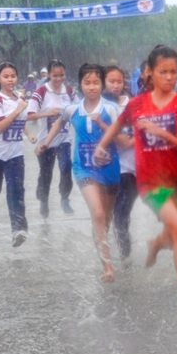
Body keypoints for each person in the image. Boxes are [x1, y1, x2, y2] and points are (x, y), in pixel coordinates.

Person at [95, 45, 177, 314]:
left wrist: (163, 134)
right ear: (150, 73)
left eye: (174, 72)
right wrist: (102, 146)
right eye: (162, 72)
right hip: (150, 181)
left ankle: (156, 243)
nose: (169, 77)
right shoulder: (137, 104)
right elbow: (118, 126)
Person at [41, 64, 121, 282]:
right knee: (97, 213)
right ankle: (107, 268)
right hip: (83, 168)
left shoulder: (112, 108)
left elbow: (122, 137)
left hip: (111, 169)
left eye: (96, 82)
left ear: (102, 84)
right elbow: (60, 122)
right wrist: (46, 143)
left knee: (106, 218)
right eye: (87, 82)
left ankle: (104, 247)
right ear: (80, 84)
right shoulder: (72, 108)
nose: (92, 87)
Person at [0, 62, 33, 247]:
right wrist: (17, 110)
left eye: (13, 76)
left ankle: (18, 230)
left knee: (16, 191)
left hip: (15, 154)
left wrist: (29, 133)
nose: (10, 79)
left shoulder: (19, 97)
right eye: (6, 76)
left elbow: (22, 119)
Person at [28, 60, 77, 217]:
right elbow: (29, 116)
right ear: (48, 74)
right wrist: (47, 113)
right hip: (45, 141)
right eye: (55, 75)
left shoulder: (69, 91)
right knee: (46, 173)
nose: (58, 79)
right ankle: (44, 201)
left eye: (61, 75)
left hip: (64, 138)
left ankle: (64, 198)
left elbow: (78, 111)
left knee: (66, 166)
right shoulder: (41, 92)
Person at [104, 66, 138, 265]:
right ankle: (119, 256)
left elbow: (125, 140)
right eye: (111, 81)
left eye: (119, 82)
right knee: (113, 214)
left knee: (121, 212)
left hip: (132, 168)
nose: (116, 86)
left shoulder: (132, 104)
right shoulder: (98, 105)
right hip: (109, 169)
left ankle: (125, 255)